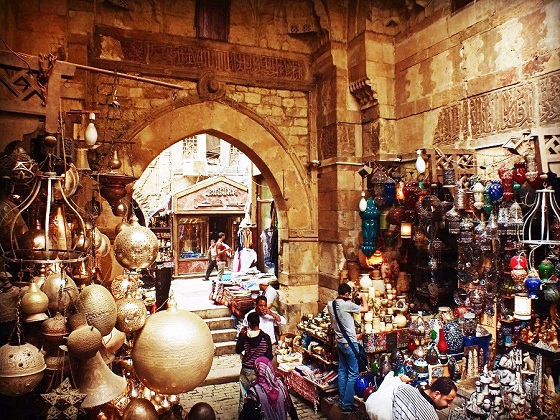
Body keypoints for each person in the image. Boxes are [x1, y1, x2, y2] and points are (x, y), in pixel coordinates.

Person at [327, 282, 369, 413]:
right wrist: (362, 297)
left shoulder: (330, 304)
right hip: (350, 343)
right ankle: (347, 403)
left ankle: (342, 399)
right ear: (346, 294)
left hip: (340, 342)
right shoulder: (347, 305)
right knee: (353, 374)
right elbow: (365, 309)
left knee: (342, 371)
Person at [236, 312, 273, 414]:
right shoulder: (265, 337)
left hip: (247, 369)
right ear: (259, 322)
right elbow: (269, 356)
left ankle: (243, 416)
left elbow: (238, 350)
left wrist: (240, 335)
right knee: (261, 395)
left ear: (249, 324)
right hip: (260, 371)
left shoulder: (244, 337)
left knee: (244, 394)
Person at [392, 376, 457, 420]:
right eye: (448, 401)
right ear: (436, 394)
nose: (450, 405)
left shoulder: (404, 388)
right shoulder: (431, 417)